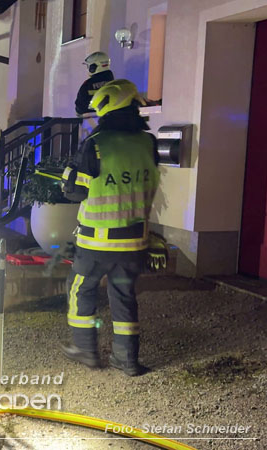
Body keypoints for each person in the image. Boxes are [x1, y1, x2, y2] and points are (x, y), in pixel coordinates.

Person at [60, 79, 160, 376]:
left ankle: (85, 349)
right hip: (134, 242)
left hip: (97, 242)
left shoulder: (97, 144)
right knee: (124, 296)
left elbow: (76, 191)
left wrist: (67, 176)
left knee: (80, 289)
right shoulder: (148, 142)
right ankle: (126, 360)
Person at [75, 51, 114, 115]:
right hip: (111, 122)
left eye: (88, 66)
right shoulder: (115, 84)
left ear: (93, 67)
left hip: (90, 123)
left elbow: (79, 109)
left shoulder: (87, 85)